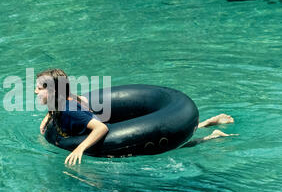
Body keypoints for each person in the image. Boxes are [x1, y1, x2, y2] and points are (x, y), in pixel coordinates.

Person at [35, 68, 237, 165]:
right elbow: (71, 97)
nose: (35, 92)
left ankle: (211, 135)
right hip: (88, 123)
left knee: (163, 146)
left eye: (39, 88)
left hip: (97, 130)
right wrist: (48, 118)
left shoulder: (70, 109)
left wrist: (79, 148)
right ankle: (206, 124)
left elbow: (101, 128)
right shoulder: (60, 101)